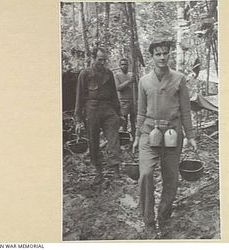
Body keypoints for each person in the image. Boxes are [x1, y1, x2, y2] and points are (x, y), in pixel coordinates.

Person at [132, 39, 197, 238]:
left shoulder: (179, 78)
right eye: (157, 54)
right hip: (148, 132)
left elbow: (186, 109)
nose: (162, 57)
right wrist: (136, 136)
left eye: (165, 53)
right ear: (151, 57)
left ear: (169, 55)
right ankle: (148, 218)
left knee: (171, 177)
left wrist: (191, 136)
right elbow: (141, 111)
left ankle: (164, 214)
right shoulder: (144, 81)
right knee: (145, 174)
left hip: (173, 133)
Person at [74, 47, 122, 184]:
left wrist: (119, 114)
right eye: (100, 59)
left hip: (108, 108)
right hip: (92, 109)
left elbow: (114, 94)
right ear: (93, 58)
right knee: (93, 141)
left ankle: (116, 168)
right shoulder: (85, 74)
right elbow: (79, 97)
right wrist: (78, 119)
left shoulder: (109, 74)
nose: (102, 62)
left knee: (113, 138)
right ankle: (98, 171)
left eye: (104, 60)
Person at [114, 58, 136, 138]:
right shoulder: (117, 75)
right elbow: (118, 88)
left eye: (126, 64)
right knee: (124, 122)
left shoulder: (132, 75)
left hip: (132, 101)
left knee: (134, 122)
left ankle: (134, 138)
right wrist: (129, 81)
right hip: (123, 102)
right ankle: (124, 139)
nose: (124, 66)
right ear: (120, 66)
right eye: (122, 64)